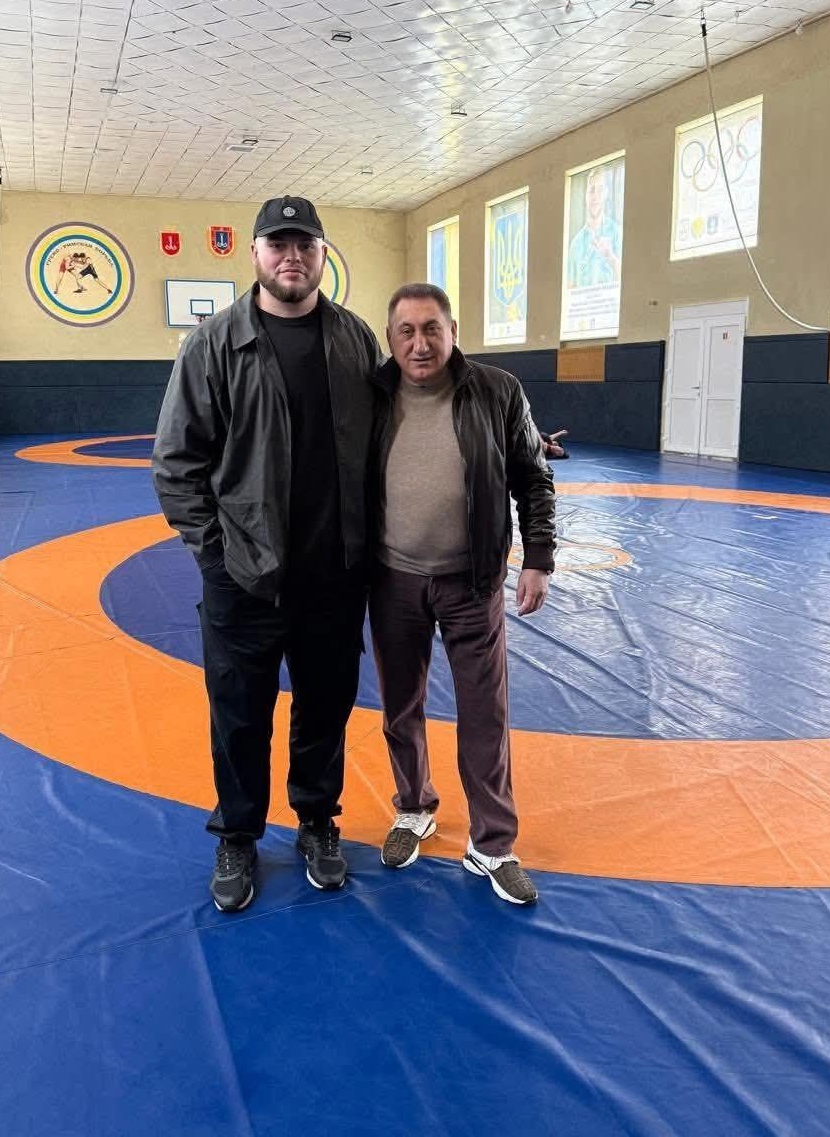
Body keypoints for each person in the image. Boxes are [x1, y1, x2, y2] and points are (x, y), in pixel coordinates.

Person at [152, 196, 381, 913]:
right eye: (278, 244)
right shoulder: (213, 345)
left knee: (326, 710)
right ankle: (238, 834)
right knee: (240, 715)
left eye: (305, 244)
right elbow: (176, 463)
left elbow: (388, 439)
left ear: (323, 255)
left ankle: (317, 821)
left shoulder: (355, 339)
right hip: (244, 576)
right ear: (253, 254)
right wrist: (214, 553)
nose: (292, 257)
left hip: (334, 574)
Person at [368, 284, 556, 906]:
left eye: (432, 329)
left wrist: (538, 558)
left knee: (485, 712)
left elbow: (533, 476)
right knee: (400, 705)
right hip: (392, 579)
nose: (420, 344)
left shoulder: (496, 391)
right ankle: (414, 806)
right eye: (406, 331)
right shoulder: (371, 395)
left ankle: (492, 844)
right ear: (390, 339)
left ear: (454, 332)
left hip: (471, 582)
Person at [566, 165, 622, 289]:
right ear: (585, 196)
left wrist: (611, 258)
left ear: (606, 194)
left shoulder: (617, 233)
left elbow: (626, 280)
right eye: (591, 190)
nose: (595, 196)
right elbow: (569, 289)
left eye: (600, 190)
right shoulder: (576, 243)